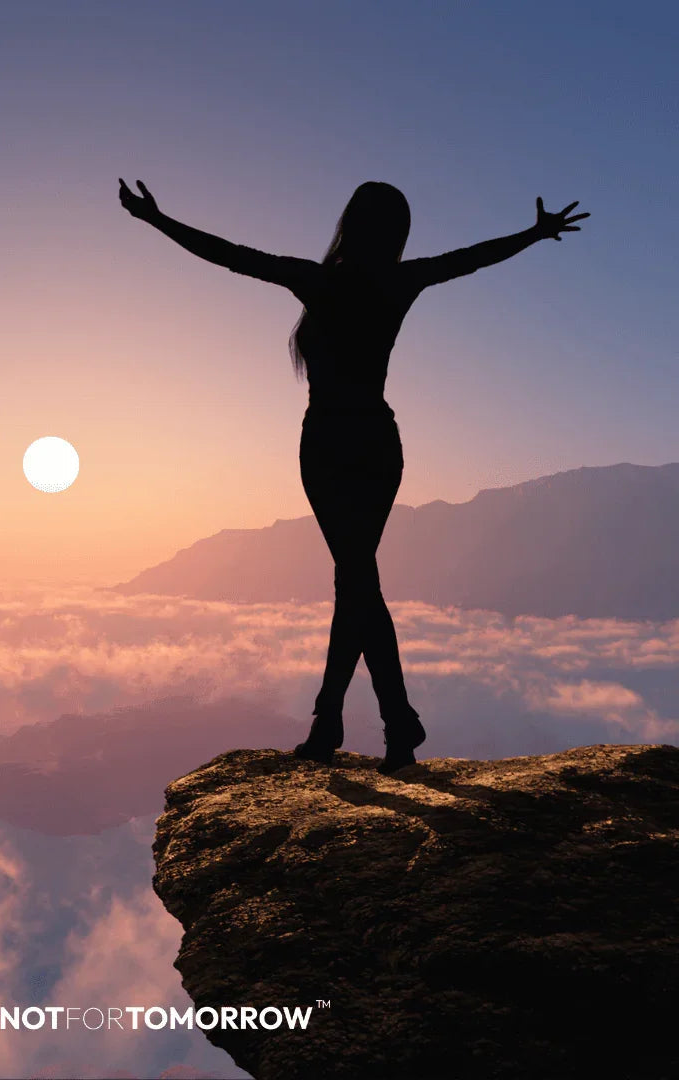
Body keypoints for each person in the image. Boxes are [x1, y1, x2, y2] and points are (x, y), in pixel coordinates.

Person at [118, 177, 588, 773]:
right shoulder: (399, 281)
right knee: (356, 581)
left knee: (357, 581)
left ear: (349, 223)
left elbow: (230, 255)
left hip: (328, 446)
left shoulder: (319, 282)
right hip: (378, 445)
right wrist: (533, 234)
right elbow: (471, 258)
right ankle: (344, 724)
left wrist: (157, 220)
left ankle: (384, 723)